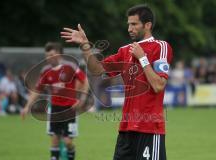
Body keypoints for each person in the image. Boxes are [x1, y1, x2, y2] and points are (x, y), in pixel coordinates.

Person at [61, 4, 173, 160]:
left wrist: (142, 58)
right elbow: (96, 70)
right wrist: (85, 45)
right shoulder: (124, 50)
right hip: (126, 129)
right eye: (128, 24)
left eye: (134, 24)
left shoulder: (161, 47)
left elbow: (158, 85)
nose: (129, 28)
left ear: (147, 25)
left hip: (149, 130)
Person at [21, 42, 89, 160]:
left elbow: (85, 81)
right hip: (55, 109)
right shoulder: (46, 70)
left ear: (59, 54)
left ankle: (71, 152)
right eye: (47, 55)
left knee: (68, 141)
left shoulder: (70, 66)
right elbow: (37, 90)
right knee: (54, 140)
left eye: (51, 54)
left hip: (69, 109)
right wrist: (27, 106)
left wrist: (81, 99)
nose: (48, 58)